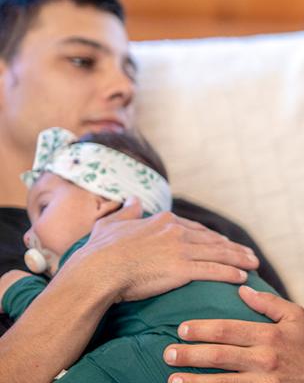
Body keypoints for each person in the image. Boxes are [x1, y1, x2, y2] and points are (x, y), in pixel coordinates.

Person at [0, 0, 304, 383]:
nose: (123, 87)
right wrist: (102, 271)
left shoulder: (197, 229)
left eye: (130, 71)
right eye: (82, 61)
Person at [0, 127, 280, 380]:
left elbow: (69, 330)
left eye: (44, 207)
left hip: (184, 344)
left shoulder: (104, 240)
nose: (28, 235)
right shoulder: (194, 236)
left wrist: (19, 290)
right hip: (263, 351)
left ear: (103, 201)